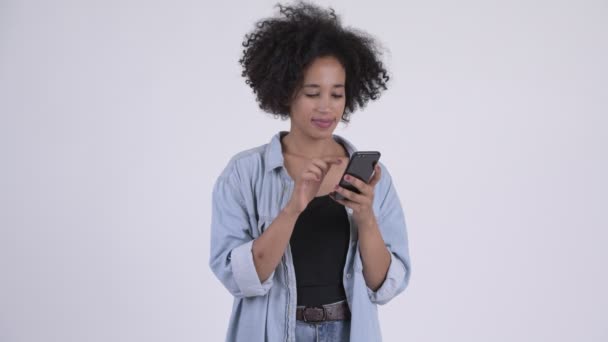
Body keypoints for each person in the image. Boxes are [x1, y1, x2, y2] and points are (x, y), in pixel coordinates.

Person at [209, 2, 411, 341]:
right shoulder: (244, 174)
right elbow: (239, 278)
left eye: (337, 94)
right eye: (312, 93)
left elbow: (383, 286)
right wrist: (293, 208)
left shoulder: (374, 178)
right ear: (285, 92)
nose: (325, 106)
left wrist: (365, 217)